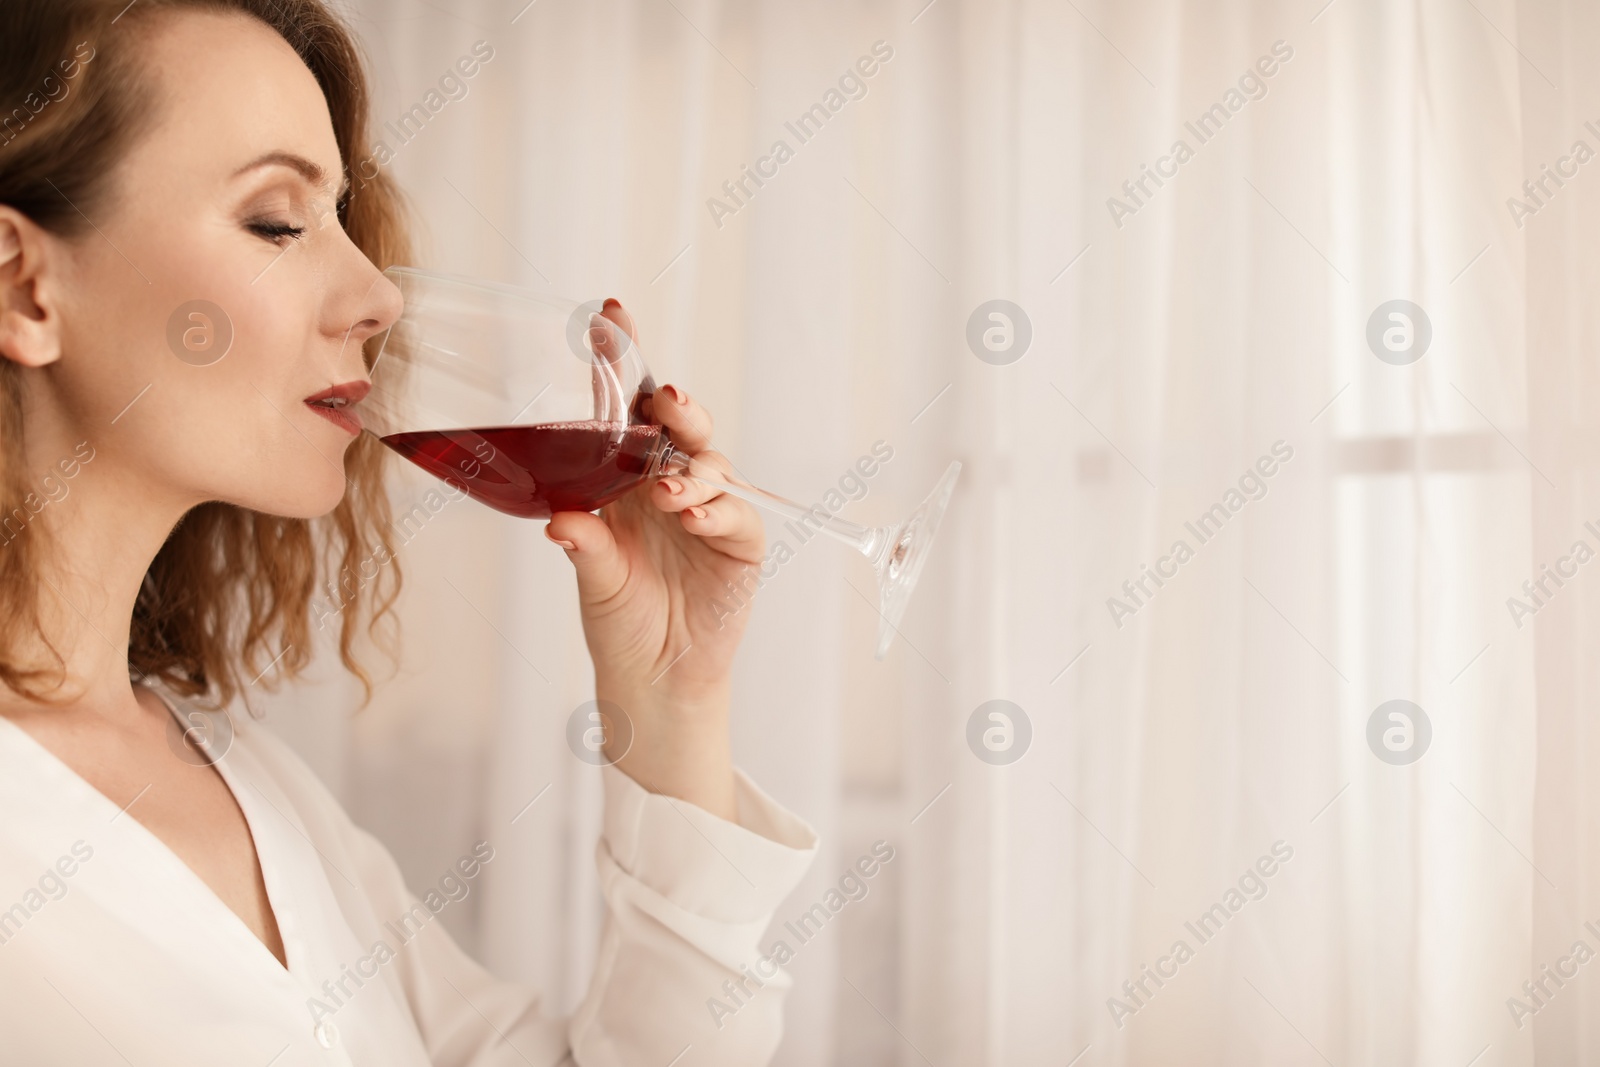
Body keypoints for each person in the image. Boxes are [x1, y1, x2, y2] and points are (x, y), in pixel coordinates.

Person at [0, 1, 816, 1063]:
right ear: (23, 287)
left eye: (343, 215)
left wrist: (669, 707)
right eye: (276, 221)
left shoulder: (254, 786)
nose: (377, 292)